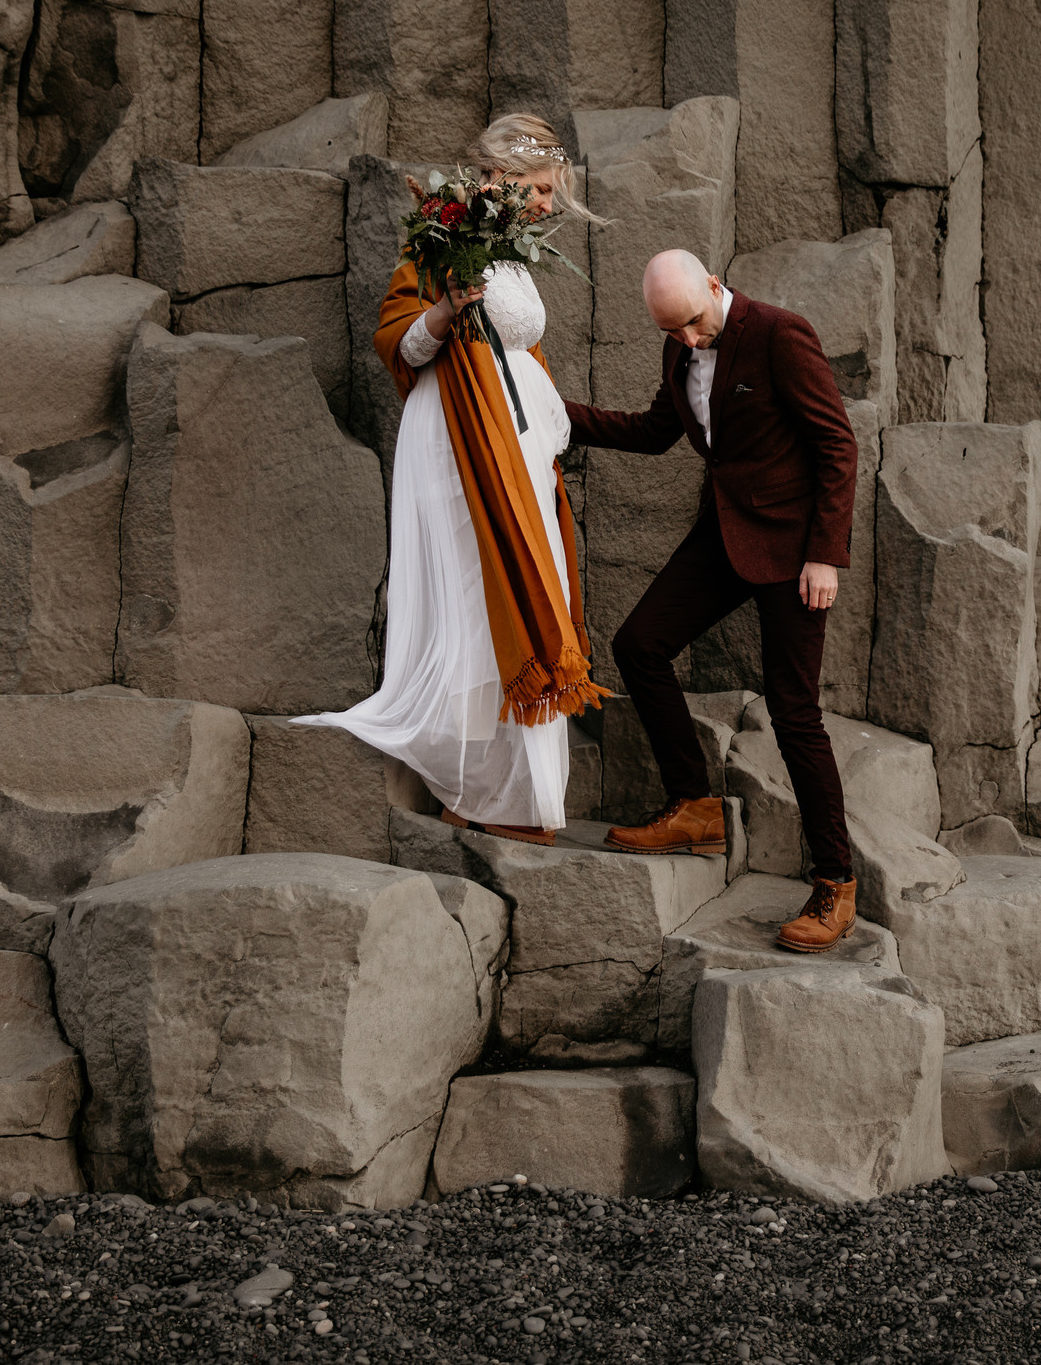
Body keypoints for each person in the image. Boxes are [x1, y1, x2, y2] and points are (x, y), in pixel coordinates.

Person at [293, 114, 603, 845]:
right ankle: (474, 785)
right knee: (473, 593)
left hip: (516, 447)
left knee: (524, 583)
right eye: (539, 190)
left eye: (551, 192)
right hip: (461, 442)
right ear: (496, 179)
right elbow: (396, 341)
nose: (549, 206)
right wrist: (441, 311)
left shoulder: (511, 254)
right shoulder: (441, 237)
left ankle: (520, 796)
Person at [563, 249, 865, 953]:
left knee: (795, 715)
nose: (690, 341)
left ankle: (835, 883)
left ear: (714, 285)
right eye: (674, 333)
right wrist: (554, 414)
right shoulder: (680, 351)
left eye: (695, 324)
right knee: (639, 644)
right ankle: (694, 808)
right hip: (725, 536)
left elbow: (837, 445)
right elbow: (651, 432)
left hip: (795, 551)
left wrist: (826, 552)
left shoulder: (780, 333)